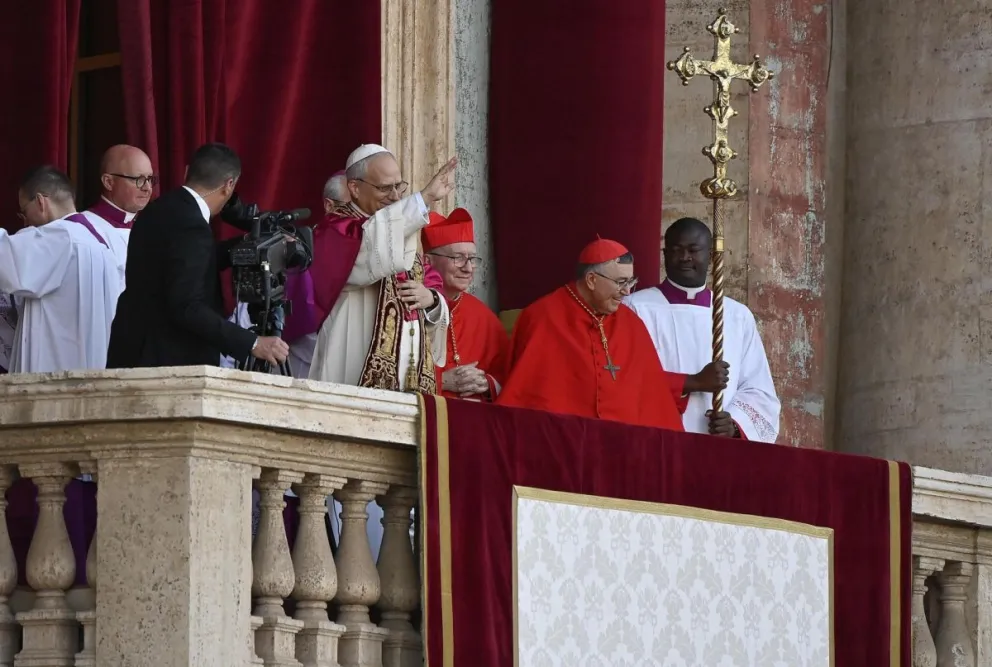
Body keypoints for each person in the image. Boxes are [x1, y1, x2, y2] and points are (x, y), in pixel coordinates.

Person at [107, 142, 289, 369]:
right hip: (166, 364)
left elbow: (182, 262)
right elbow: (187, 306)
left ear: (186, 172)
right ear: (229, 185)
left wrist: (246, 245)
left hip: (131, 352)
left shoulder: (158, 208)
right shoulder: (193, 225)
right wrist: (252, 343)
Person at [308, 144, 455, 392]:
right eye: (385, 188)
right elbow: (369, 246)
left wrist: (430, 299)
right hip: (353, 359)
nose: (396, 196)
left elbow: (432, 289)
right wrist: (423, 199)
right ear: (354, 188)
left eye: (399, 186)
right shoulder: (336, 229)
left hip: (408, 374)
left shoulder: (399, 234)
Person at [497, 238, 684, 430]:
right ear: (592, 280)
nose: (627, 291)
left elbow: (652, 396)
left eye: (631, 281)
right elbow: (525, 396)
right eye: (621, 282)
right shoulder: (541, 318)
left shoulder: (632, 324)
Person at [625, 217, 780, 441]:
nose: (685, 257)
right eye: (676, 250)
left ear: (710, 255)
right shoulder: (635, 308)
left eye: (693, 250)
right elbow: (625, 380)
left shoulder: (736, 316)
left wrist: (735, 423)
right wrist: (692, 382)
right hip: (656, 438)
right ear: (665, 254)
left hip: (716, 443)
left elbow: (759, 389)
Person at [0, 165, 122, 373]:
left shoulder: (59, 237)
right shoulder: (101, 244)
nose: (25, 221)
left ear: (40, 201)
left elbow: (6, 260)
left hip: (55, 369)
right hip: (93, 367)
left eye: (24, 212)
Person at [423, 207, 508, 400]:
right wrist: (441, 380)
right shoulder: (410, 307)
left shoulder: (484, 317)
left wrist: (486, 383)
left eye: (472, 259)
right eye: (458, 258)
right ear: (427, 262)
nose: (468, 268)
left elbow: (510, 376)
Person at [80, 144, 157, 282]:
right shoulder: (84, 228)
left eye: (150, 179)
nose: (147, 188)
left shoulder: (153, 227)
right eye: (138, 179)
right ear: (108, 182)